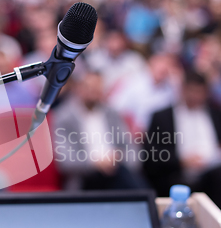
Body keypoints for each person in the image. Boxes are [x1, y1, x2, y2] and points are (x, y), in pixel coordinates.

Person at [52, 71, 146, 190]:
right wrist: (95, 163)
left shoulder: (112, 113)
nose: (93, 92)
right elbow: (65, 161)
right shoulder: (64, 117)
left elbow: (132, 150)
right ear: (78, 88)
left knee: (136, 185)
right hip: (85, 176)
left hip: (117, 170)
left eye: (97, 88)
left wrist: (117, 158)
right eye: (89, 87)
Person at [143, 70, 221, 207]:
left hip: (213, 174)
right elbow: (152, 154)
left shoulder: (215, 115)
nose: (196, 96)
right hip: (176, 177)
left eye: (200, 92)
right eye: (193, 91)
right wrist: (181, 161)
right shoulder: (162, 117)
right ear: (183, 89)